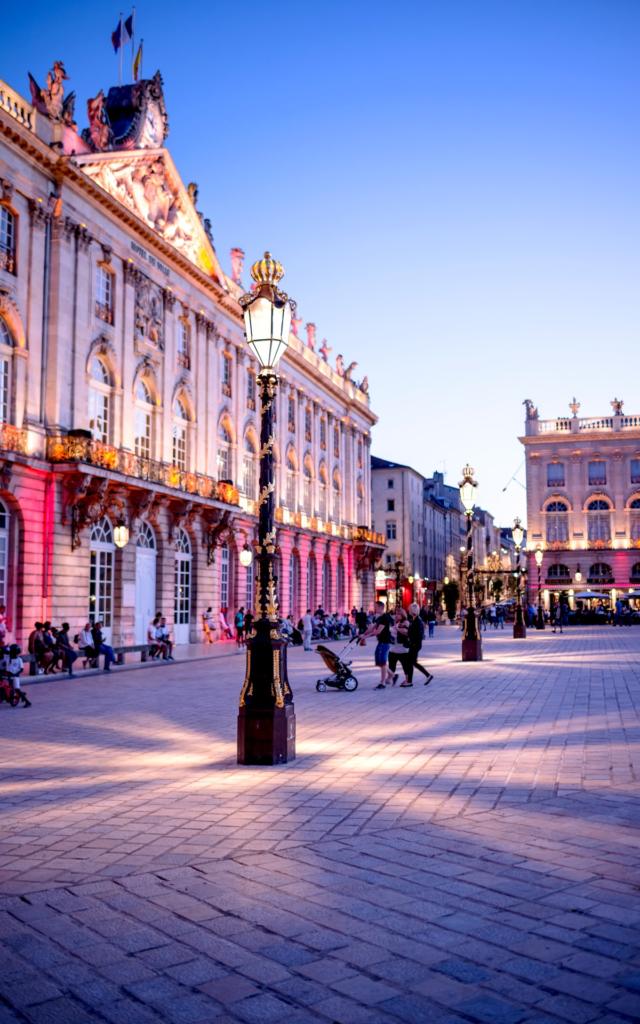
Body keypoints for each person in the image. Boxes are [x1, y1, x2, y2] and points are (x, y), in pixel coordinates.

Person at [363, 600, 394, 690]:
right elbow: (372, 628)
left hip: (385, 642)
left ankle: (382, 683)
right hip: (381, 642)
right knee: (380, 662)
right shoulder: (379, 618)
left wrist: (365, 637)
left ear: (381, 607)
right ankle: (392, 675)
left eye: (376, 607)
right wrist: (362, 634)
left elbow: (377, 631)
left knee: (383, 663)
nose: (374, 608)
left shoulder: (385, 618)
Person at [406, 602, 433, 686]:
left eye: (409, 609)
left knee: (411, 662)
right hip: (414, 644)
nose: (408, 611)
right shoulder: (415, 619)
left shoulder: (417, 621)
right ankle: (426, 676)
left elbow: (418, 634)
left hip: (415, 644)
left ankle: (411, 681)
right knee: (412, 662)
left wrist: (411, 641)